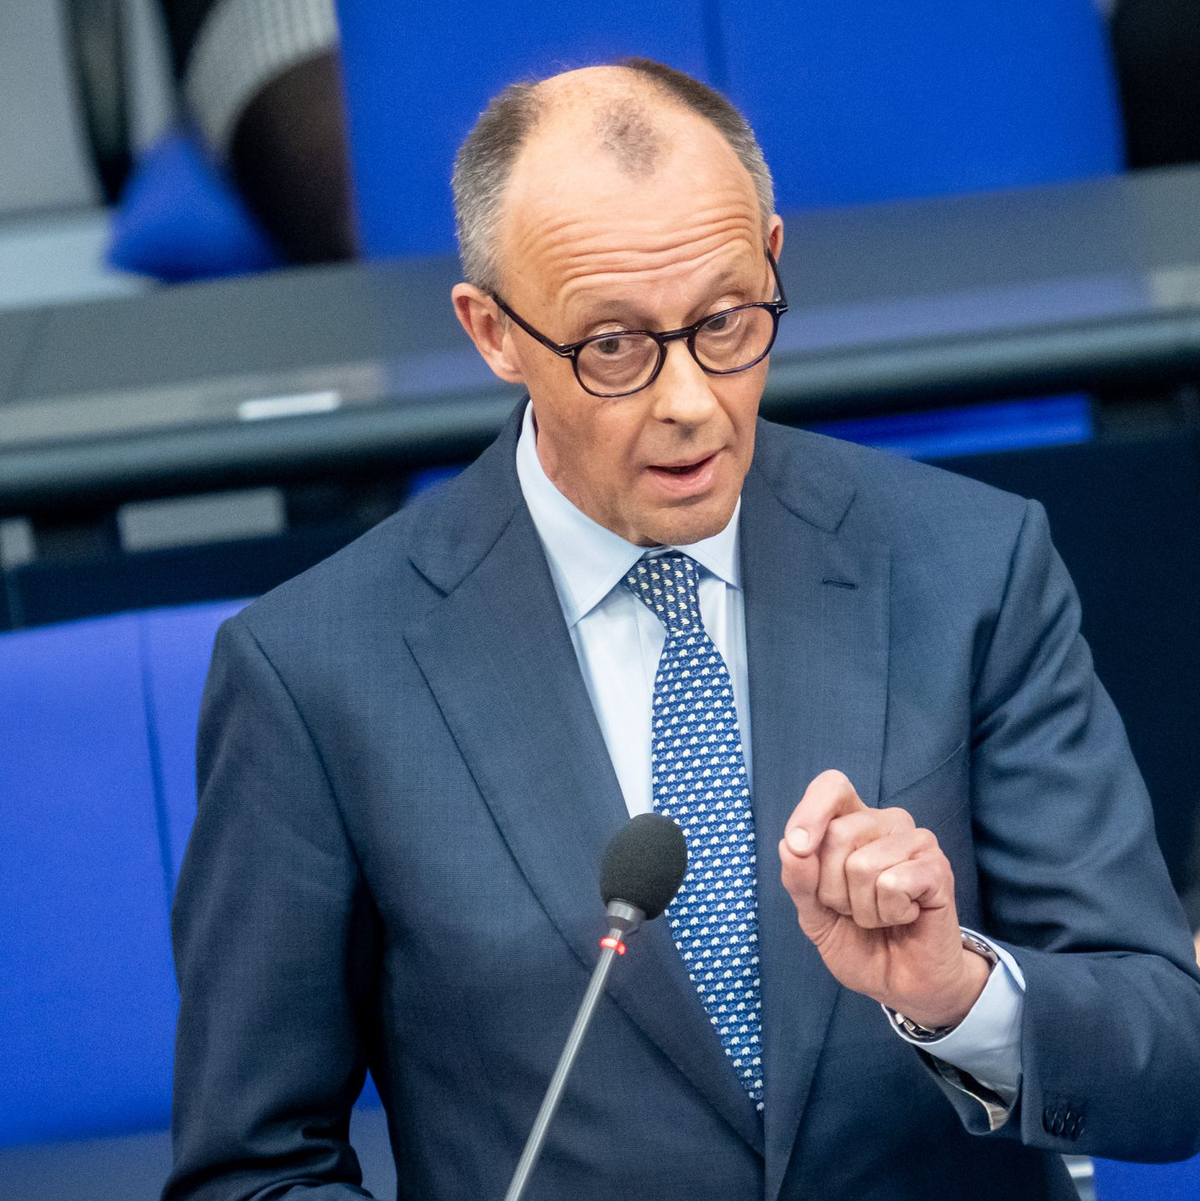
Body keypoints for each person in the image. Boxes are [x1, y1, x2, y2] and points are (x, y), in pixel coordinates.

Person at [163, 60, 1200, 1201]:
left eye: (726, 320)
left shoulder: (969, 566)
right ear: (492, 331)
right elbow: (252, 1173)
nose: (691, 400)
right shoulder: (317, 671)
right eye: (612, 345)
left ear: (772, 262)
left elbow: (1169, 1063)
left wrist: (958, 992)